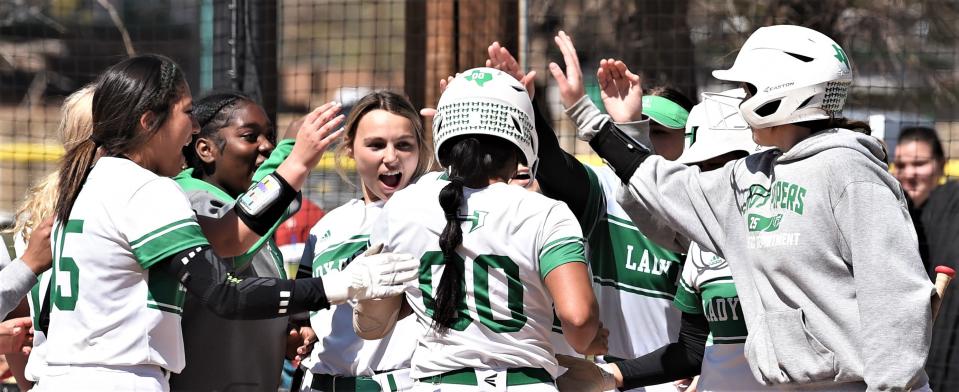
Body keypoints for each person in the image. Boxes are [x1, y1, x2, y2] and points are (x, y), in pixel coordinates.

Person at [558, 25, 933, 390]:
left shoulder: (851, 171)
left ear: (784, 89)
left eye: (748, 88)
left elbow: (895, 296)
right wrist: (590, 117)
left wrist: (893, 385)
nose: (741, 101)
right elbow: (664, 191)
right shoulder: (749, 177)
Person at [34, 54, 418, 392]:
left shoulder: (87, 185)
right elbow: (226, 294)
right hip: (119, 379)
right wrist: (342, 284)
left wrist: (294, 163)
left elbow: (227, 238)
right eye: (186, 112)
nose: (194, 126)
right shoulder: (145, 190)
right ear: (149, 121)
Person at [354, 68, 606, 391]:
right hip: (523, 383)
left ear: (445, 130)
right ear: (524, 135)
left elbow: (373, 322)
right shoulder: (545, 212)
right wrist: (590, 339)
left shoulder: (403, 207)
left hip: (438, 384)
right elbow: (579, 318)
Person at [485, 38, 685, 392]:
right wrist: (524, 107)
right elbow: (555, 166)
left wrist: (705, 362)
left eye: (660, 132)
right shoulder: (607, 193)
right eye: (642, 129)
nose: (649, 142)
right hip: (608, 382)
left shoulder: (709, 210)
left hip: (682, 379)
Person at [560, 90, 786, 392]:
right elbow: (691, 350)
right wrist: (610, 375)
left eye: (723, 163)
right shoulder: (701, 243)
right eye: (703, 166)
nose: (710, 177)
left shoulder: (791, 231)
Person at [169, 90, 314, 391]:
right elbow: (253, 219)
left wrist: (284, 327)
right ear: (206, 149)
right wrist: (290, 153)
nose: (266, 146)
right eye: (249, 136)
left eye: (270, 137)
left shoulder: (231, 204)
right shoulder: (191, 200)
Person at [297, 91, 433, 392]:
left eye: (404, 145)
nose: (391, 157)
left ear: (421, 150)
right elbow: (306, 314)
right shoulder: (325, 227)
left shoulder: (433, 213)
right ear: (349, 149)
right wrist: (302, 331)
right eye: (375, 145)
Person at [8, 85, 95, 391]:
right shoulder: (119, 202)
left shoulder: (35, 210)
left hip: (47, 374)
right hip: (104, 373)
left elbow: (19, 328)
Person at [893, 126, 959, 390]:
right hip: (909, 368)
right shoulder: (892, 213)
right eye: (901, 164)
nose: (909, 174)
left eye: (919, 164)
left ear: (941, 165)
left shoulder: (952, 202)